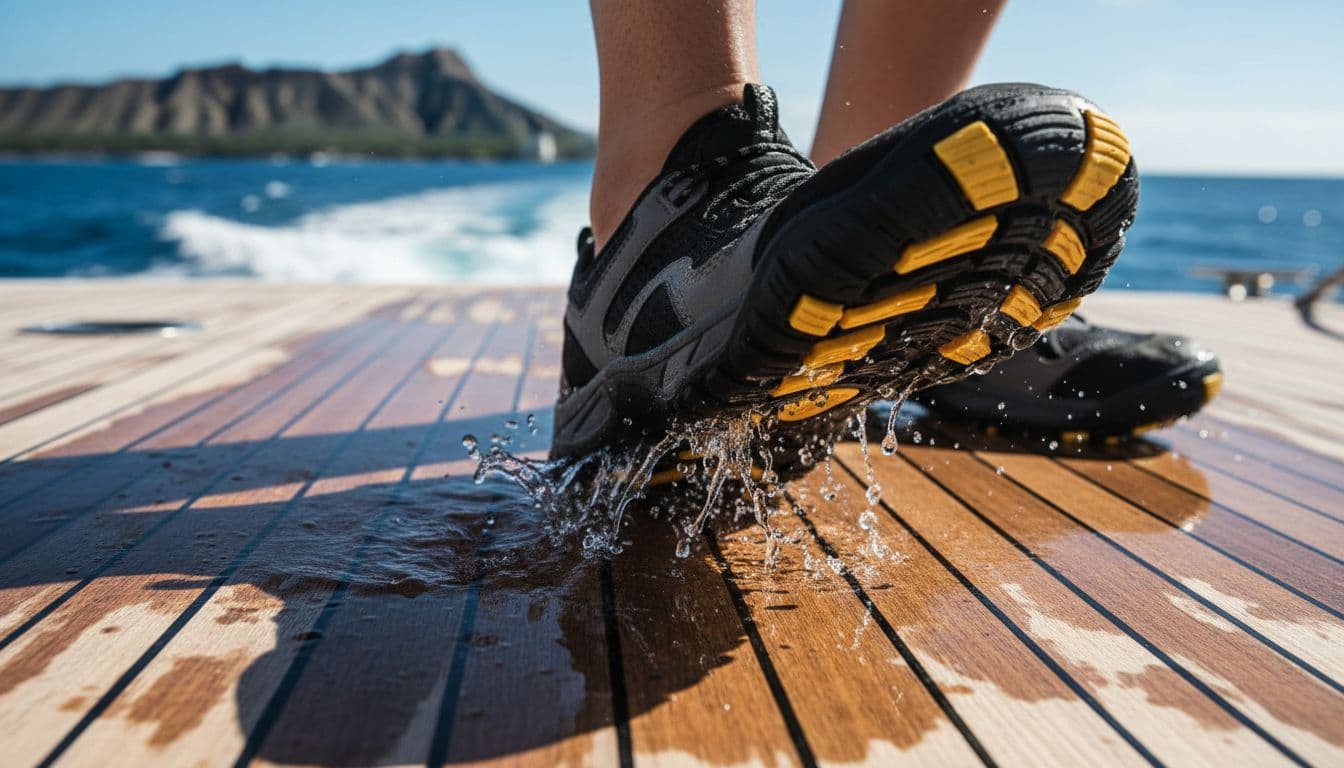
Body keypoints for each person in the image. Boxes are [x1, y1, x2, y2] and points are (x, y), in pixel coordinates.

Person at [551, 0, 1220, 468]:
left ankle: (906, 292)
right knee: (698, 148)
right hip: (659, 231)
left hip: (827, 270)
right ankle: (660, 208)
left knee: (873, 197)